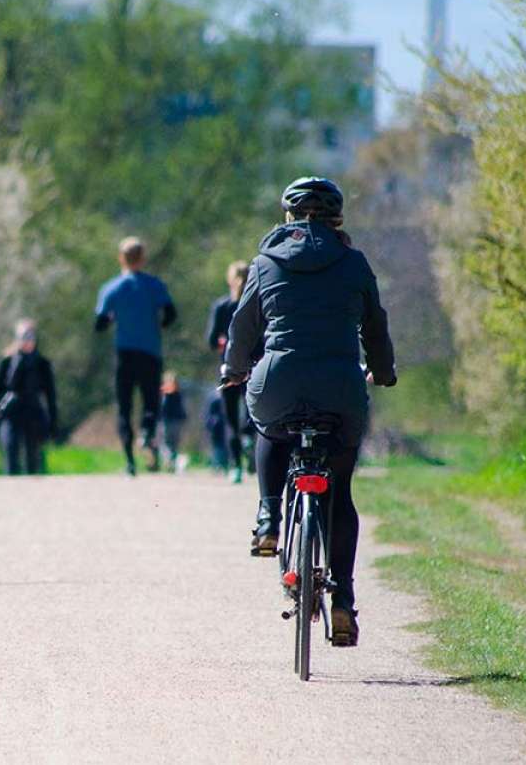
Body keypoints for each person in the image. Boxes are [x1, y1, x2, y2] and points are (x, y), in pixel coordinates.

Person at [221, 176, 396, 647]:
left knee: (269, 426)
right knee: (340, 492)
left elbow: (242, 328)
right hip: (340, 388)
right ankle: (343, 600)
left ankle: (268, 518)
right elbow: (374, 328)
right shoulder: (354, 263)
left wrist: (233, 370)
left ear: (288, 217)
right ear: (337, 219)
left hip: (279, 382)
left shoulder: (264, 262)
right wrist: (383, 371)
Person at [94, 237, 177, 476]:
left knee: (124, 407)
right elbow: (171, 314)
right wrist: (156, 324)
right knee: (151, 402)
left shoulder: (111, 288)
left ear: (121, 258)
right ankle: (147, 433)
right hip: (150, 352)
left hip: (124, 354)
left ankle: (130, 462)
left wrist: (113, 319)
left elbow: (99, 323)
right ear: (142, 258)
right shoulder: (155, 286)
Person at [0, 319, 58, 475]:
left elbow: (50, 395)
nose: (27, 340)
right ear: (17, 339)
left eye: (30, 336)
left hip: (33, 413)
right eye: (24, 336)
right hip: (10, 412)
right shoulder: (7, 362)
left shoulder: (42, 364)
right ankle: (11, 492)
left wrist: (53, 421)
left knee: (33, 458)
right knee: (10, 450)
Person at [205, 260, 250, 484]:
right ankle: (249, 439)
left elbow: (212, 340)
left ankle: (236, 466)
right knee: (254, 413)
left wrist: (224, 342)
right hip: (253, 367)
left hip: (229, 369)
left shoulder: (222, 307)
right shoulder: (256, 304)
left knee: (231, 419)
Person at [159, 372, 188, 472]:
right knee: (172, 444)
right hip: (174, 421)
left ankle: (171, 461)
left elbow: (162, 408)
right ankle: (172, 462)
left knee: (167, 443)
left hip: (169, 421)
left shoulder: (165, 394)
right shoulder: (178, 393)